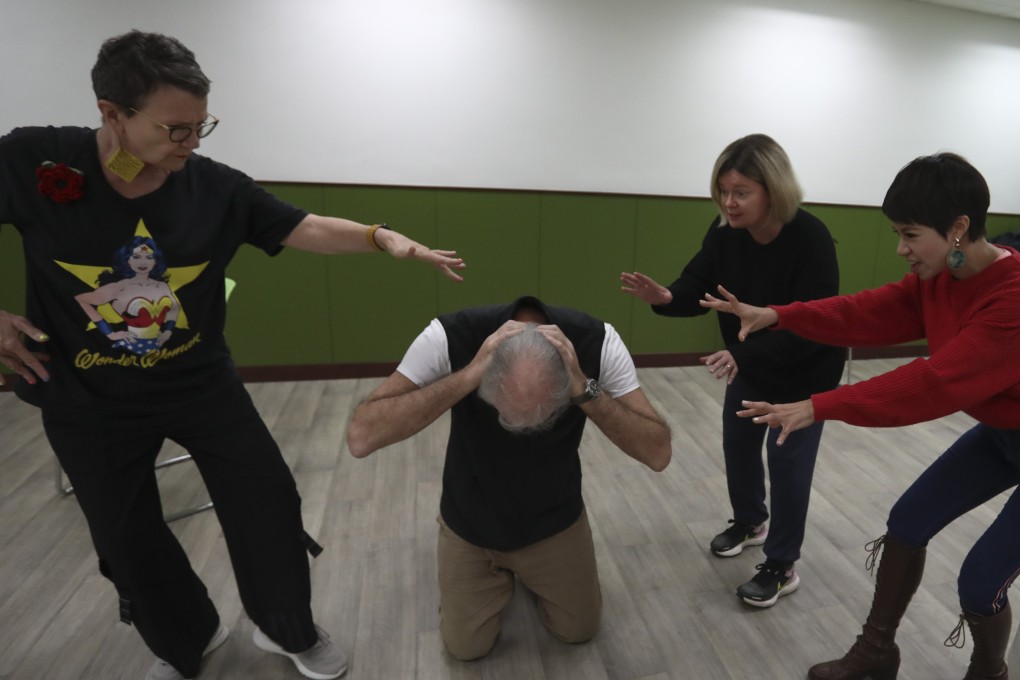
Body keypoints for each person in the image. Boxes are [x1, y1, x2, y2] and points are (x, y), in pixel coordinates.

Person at [0, 30, 466, 680]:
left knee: (269, 501)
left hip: (198, 383)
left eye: (202, 127)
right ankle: (185, 640)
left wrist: (380, 236)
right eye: (175, 130)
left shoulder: (214, 187)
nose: (190, 145)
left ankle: (287, 629)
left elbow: (303, 228)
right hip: (85, 400)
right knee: (126, 541)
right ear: (112, 113)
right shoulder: (35, 160)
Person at [701, 152, 1017, 680]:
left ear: (959, 227)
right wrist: (781, 315)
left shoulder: (1010, 302)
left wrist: (818, 404)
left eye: (911, 235)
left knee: (979, 583)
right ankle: (876, 653)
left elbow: (931, 384)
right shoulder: (943, 276)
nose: (901, 250)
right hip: (1004, 433)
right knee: (906, 523)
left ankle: (990, 673)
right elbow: (866, 311)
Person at [346, 295, 671, 660]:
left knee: (579, 631)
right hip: (470, 518)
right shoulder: (448, 336)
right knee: (466, 649)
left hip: (554, 518)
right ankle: (495, 574)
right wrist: (467, 375)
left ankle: (524, 575)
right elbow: (361, 436)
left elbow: (658, 453)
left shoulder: (599, 341)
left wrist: (586, 388)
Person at [620, 133, 845, 607]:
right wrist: (666, 298)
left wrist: (744, 356)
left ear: (773, 190)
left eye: (741, 192)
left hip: (806, 374)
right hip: (750, 363)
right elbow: (698, 283)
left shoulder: (811, 238)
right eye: (723, 190)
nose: (729, 201)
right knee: (739, 448)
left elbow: (813, 325)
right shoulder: (724, 232)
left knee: (788, 467)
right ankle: (750, 521)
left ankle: (782, 565)